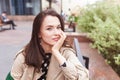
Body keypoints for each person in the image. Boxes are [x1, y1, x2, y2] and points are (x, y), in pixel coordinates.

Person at [10, 9, 89, 80]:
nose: (57, 33)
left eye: (58, 27)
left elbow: (82, 77)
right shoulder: (25, 55)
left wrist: (56, 52)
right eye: (49, 28)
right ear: (38, 33)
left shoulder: (65, 53)